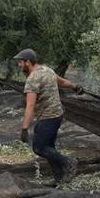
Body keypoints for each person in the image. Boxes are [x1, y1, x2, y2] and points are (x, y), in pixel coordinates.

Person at [14, 48, 84, 186]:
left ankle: (68, 162)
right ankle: (59, 179)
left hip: (47, 118)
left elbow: (30, 106)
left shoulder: (32, 79)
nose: (19, 65)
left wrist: (24, 128)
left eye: (20, 62)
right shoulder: (47, 70)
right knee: (49, 146)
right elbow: (63, 82)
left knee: (39, 148)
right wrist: (75, 86)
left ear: (28, 62)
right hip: (57, 115)